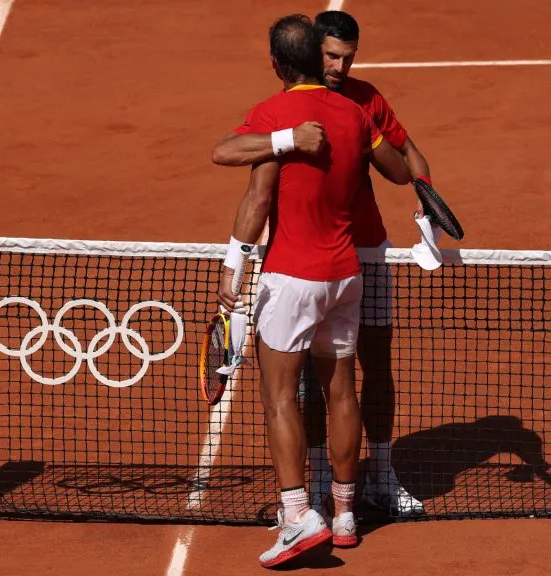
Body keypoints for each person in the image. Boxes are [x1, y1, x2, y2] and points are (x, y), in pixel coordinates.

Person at [211, 10, 431, 517]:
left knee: (370, 368)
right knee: (314, 381)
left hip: (364, 253)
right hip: (314, 258)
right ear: (314, 53)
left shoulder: (364, 100)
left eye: (348, 58)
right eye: (331, 56)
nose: (339, 66)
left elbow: (408, 159)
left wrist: (427, 195)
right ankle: (320, 487)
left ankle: (382, 475)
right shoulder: (287, 109)